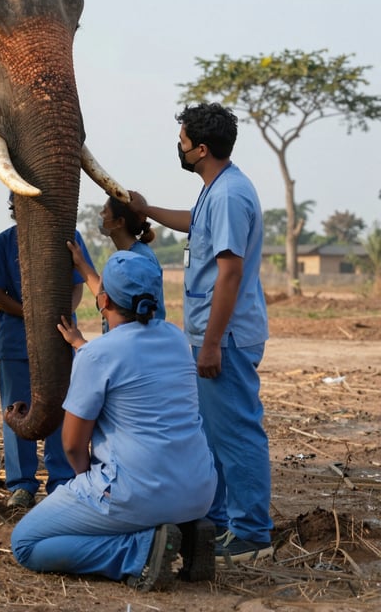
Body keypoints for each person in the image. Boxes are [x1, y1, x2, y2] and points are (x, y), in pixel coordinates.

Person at [10, 251, 217, 591]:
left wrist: (87, 487)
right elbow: (130, 361)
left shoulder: (99, 355)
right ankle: (189, 533)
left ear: (102, 299)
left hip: (136, 493)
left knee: (26, 544)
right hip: (197, 490)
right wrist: (81, 346)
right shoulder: (178, 340)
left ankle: (137, 550)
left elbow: (74, 446)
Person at [128, 102, 273, 564]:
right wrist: (146, 208)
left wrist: (210, 344)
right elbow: (196, 224)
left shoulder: (229, 195)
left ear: (202, 149)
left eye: (184, 142)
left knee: (236, 434)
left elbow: (229, 272)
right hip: (214, 334)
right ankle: (227, 523)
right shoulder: (217, 189)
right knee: (215, 434)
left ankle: (252, 531)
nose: (180, 148)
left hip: (224, 338)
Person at [0, 193, 95, 508]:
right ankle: (22, 485)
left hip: (59, 337)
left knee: (62, 406)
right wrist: (32, 318)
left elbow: (77, 286)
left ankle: (61, 481)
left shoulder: (68, 239)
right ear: (15, 210)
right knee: (17, 410)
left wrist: (59, 320)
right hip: (16, 340)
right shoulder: (3, 243)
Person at [68, 196, 166, 322]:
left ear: (119, 222)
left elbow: (117, 302)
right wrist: (80, 264)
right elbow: (109, 296)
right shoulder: (127, 255)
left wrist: (81, 264)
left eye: (105, 211)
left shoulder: (138, 259)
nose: (101, 215)